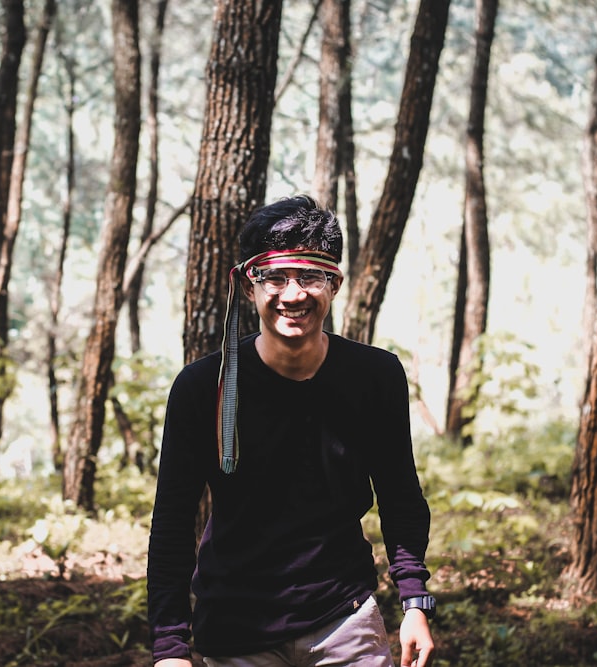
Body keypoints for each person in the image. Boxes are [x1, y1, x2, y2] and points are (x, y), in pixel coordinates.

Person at [147, 195, 435, 667]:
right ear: (248, 286)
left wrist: (414, 601)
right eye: (275, 277)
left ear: (334, 285)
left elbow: (400, 497)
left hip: (345, 616)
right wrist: (170, 648)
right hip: (236, 629)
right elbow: (173, 525)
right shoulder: (203, 388)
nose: (293, 293)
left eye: (310, 277)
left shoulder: (375, 376)